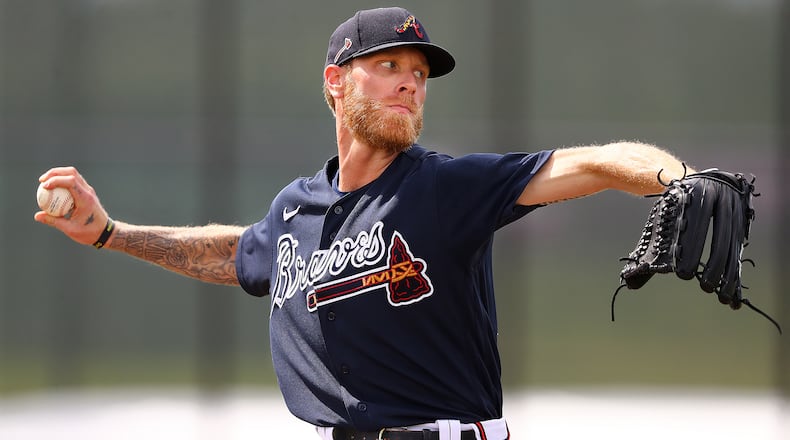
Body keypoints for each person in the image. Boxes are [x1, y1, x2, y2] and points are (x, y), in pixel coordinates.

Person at [35, 7, 693, 440]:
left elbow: (594, 163)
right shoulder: (295, 210)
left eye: (419, 74)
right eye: (388, 66)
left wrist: (681, 179)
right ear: (336, 82)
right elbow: (239, 252)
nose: (411, 84)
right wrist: (110, 233)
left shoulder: (443, 187)